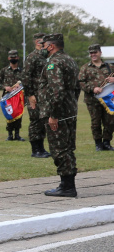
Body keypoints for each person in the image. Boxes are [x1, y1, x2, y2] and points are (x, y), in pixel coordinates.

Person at [38, 34, 80, 197]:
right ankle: (68, 183)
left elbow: (56, 91)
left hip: (59, 113)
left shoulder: (53, 63)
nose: (41, 48)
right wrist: (71, 104)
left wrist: (53, 115)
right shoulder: (70, 60)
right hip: (69, 111)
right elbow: (77, 88)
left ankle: (67, 186)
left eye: (44, 45)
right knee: (68, 147)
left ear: (51, 46)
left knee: (59, 149)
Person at [77, 44, 114, 151]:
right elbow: (81, 82)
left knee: (110, 121)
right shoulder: (85, 67)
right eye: (91, 53)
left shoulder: (110, 66)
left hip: (108, 99)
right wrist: (93, 88)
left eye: (95, 52)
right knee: (95, 122)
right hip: (93, 100)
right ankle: (98, 143)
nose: (93, 55)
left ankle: (107, 142)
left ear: (100, 53)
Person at [23, 33, 52, 158]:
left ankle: (41, 148)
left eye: (44, 42)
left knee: (43, 122)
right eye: (40, 41)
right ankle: (35, 149)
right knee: (35, 121)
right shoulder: (32, 57)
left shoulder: (48, 57)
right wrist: (30, 95)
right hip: (34, 95)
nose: (42, 44)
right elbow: (25, 77)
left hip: (45, 95)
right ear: (36, 42)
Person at [0, 50, 26, 141]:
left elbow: (26, 82)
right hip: (7, 97)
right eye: (12, 57)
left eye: (15, 57)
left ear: (18, 58)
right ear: (9, 58)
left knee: (18, 115)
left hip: (19, 97)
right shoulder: (4, 70)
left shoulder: (22, 71)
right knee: (9, 114)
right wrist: (5, 87)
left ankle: (17, 135)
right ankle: (9, 135)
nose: (13, 59)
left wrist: (20, 86)